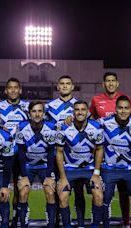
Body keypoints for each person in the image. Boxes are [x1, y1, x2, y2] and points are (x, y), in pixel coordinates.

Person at [89, 72, 131, 227]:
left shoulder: (125, 99)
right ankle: (104, 221)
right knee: (103, 193)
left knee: (125, 193)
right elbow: (90, 120)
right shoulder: (96, 100)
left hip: (124, 154)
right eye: (107, 81)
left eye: (113, 81)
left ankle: (127, 223)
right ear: (103, 84)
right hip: (103, 153)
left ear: (117, 83)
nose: (110, 83)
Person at [46, 75, 87, 227]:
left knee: (78, 191)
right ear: (57, 87)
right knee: (56, 191)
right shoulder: (49, 106)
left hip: (74, 157)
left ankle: (81, 223)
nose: (64, 86)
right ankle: (57, 222)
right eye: (61, 84)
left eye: (67, 84)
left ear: (72, 86)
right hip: (56, 153)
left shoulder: (79, 105)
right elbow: (46, 127)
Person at [56, 100, 104, 228]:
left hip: (88, 169)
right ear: (73, 112)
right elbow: (59, 152)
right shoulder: (64, 128)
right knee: (63, 197)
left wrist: (96, 173)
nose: (80, 112)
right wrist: (62, 177)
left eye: (83, 109)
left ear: (88, 112)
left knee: (98, 196)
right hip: (70, 170)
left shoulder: (96, 127)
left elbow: (99, 149)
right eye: (77, 110)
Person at [99, 95, 131, 228]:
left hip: (130, 169)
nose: (123, 111)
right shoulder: (104, 122)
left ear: (130, 110)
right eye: (120, 108)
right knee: (105, 200)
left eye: (126, 108)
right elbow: (85, 123)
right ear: (115, 109)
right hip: (109, 169)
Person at [0, 77, 29, 227]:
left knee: (20, 189)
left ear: (20, 90)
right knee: (3, 188)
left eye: (16, 87)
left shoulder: (28, 107)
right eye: (10, 88)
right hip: (3, 154)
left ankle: (16, 219)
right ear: (6, 90)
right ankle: (4, 219)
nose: (13, 90)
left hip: (21, 153)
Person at [16, 101, 57, 227]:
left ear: (44, 114)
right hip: (28, 166)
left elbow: (51, 153)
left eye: (40, 111)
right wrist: (23, 176)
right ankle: (23, 224)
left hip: (45, 166)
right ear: (29, 114)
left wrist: (49, 176)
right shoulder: (22, 127)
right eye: (34, 111)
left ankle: (50, 224)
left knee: (50, 192)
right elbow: (21, 153)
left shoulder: (51, 127)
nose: (37, 114)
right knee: (23, 192)